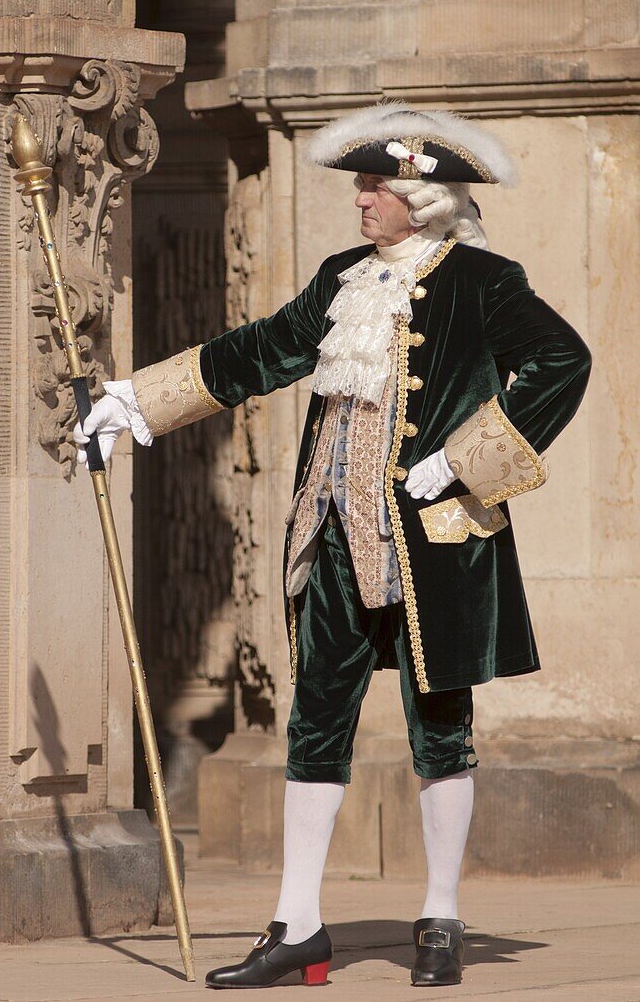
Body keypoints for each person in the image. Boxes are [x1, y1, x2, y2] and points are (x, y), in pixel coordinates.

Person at [74, 104, 591, 989]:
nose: (360, 198)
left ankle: (438, 917)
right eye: (362, 184)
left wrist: (465, 462)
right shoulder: (342, 275)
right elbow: (268, 350)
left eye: (375, 186)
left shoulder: (484, 280)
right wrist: (138, 400)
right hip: (329, 529)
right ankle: (298, 924)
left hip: (432, 538)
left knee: (440, 726)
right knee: (316, 716)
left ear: (421, 200)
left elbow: (561, 362)